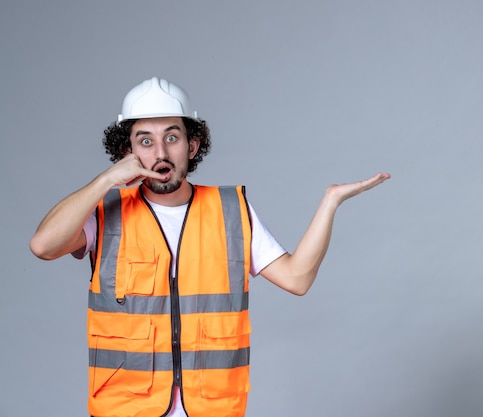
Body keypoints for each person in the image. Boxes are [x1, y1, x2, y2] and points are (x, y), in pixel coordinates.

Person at [29, 76, 390, 417]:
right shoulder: (105, 211)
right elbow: (43, 245)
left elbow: (297, 279)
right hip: (125, 409)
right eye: (145, 140)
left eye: (172, 138)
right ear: (128, 151)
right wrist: (107, 179)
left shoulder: (231, 210)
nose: (160, 152)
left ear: (193, 144)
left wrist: (331, 202)